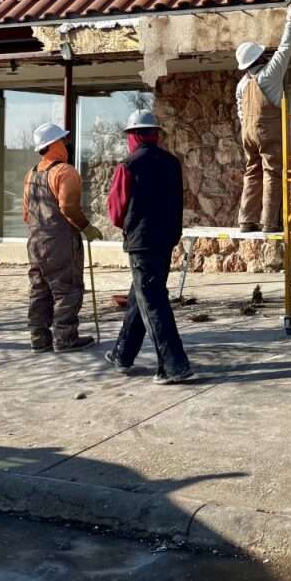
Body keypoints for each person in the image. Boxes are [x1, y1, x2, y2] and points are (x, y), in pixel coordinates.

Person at [104, 110, 194, 384]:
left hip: (141, 243)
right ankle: (123, 354)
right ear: (155, 135)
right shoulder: (171, 163)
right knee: (140, 297)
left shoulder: (129, 165)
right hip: (165, 240)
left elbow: (116, 211)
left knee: (153, 302)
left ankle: (173, 365)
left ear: (133, 136)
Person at [23, 122, 102, 352]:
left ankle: (39, 338)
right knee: (66, 290)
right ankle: (65, 338)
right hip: (59, 243)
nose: (67, 144)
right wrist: (86, 227)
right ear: (54, 144)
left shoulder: (31, 173)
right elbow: (68, 207)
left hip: (35, 242)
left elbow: (26, 212)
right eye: (63, 140)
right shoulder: (65, 172)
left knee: (40, 290)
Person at [234, 3, 291, 232]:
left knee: (252, 171)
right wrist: (290, 20)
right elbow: (285, 48)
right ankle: (268, 222)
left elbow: (241, 112)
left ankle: (246, 220)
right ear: (259, 57)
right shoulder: (268, 76)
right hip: (267, 130)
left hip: (247, 131)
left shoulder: (243, 83)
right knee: (273, 171)